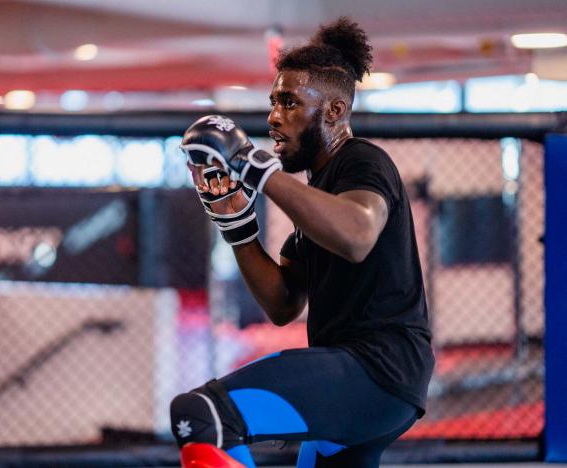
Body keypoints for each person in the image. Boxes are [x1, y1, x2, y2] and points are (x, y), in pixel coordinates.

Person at [172, 17, 435, 468]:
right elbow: (282, 303)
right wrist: (235, 221)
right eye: (274, 102)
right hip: (362, 376)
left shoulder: (362, 162)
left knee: (202, 416)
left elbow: (356, 235)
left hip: (376, 369)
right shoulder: (315, 198)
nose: (274, 117)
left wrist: (253, 168)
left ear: (333, 111)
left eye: (290, 102)